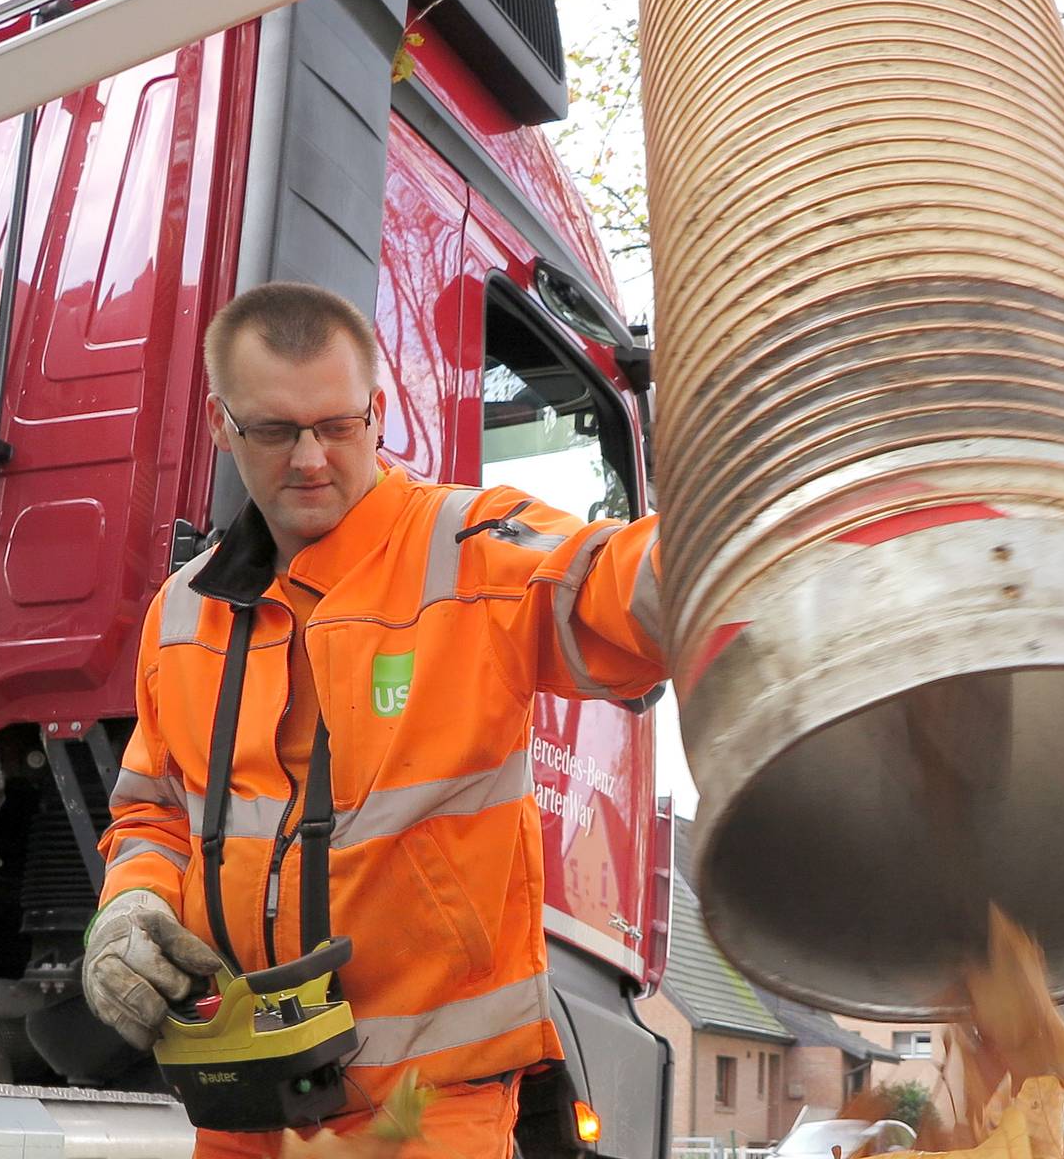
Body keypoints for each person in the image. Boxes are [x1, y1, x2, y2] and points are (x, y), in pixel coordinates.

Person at [85, 281, 665, 1159]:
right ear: (219, 425)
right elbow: (156, 814)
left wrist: (732, 541)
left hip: (427, 1110)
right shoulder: (182, 612)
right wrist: (130, 906)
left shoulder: (471, 549)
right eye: (275, 431)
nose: (311, 458)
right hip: (245, 1104)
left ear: (379, 413)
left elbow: (614, 582)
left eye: (339, 426)